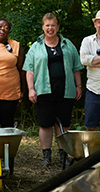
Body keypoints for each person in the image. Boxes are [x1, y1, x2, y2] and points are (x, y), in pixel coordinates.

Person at [23, 13, 84, 166]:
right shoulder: (36, 47)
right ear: (43, 27)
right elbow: (29, 70)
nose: (50, 28)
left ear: (58, 27)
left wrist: (78, 86)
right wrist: (31, 89)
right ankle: (46, 157)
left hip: (66, 90)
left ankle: (63, 156)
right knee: (45, 124)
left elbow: (76, 67)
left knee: (63, 124)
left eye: (53, 25)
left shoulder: (68, 44)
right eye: (47, 25)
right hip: (43, 91)